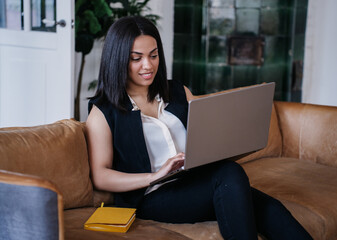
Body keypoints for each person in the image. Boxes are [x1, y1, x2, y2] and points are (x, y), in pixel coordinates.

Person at [86, 16, 313, 240]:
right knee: (229, 174)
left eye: (153, 55)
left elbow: (205, 134)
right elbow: (101, 176)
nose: (148, 65)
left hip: (196, 182)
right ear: (118, 60)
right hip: (152, 197)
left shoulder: (177, 91)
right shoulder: (103, 112)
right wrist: (154, 176)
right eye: (136, 58)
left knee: (268, 208)